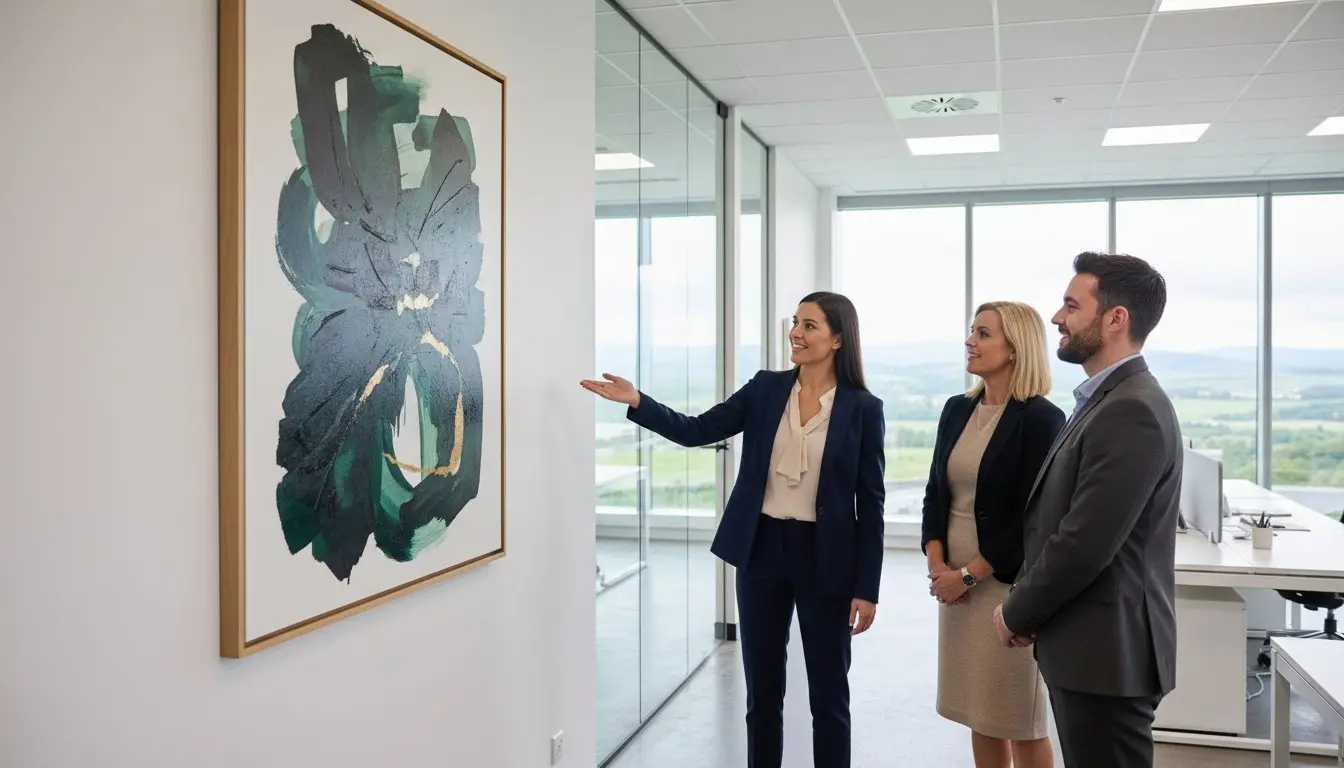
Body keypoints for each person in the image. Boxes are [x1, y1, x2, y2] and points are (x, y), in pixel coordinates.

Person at [581, 291, 885, 768]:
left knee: (829, 698)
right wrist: (638, 401)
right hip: (762, 550)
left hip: (826, 559)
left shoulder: (863, 409)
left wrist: (867, 588)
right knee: (762, 695)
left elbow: (871, 505)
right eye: (795, 323)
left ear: (838, 338)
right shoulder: (766, 389)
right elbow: (697, 429)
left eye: (809, 326)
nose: (795, 334)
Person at [993, 253, 1182, 768]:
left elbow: (1085, 540)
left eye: (1072, 306)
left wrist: (1017, 610)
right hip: (1089, 647)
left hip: (1107, 654)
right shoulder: (1106, 399)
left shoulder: (1131, 409)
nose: (1057, 317)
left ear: (1115, 319)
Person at [921, 301, 1064, 768]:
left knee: (1019, 719)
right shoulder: (956, 410)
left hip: (1005, 585)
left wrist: (968, 575)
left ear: (1015, 348)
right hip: (954, 589)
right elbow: (935, 495)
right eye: (972, 331)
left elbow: (1035, 518)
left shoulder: (1042, 419)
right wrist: (939, 567)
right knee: (979, 714)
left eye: (983, 333)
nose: (970, 341)